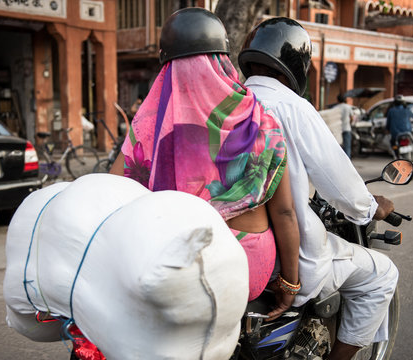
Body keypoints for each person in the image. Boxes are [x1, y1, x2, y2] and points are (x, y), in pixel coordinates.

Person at [111, 8, 301, 318]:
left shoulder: (148, 130)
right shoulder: (259, 123)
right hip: (247, 270)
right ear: (224, 62)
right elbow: (284, 211)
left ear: (165, 68)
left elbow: (112, 194)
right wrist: (290, 283)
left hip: (174, 269)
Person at [238, 17, 397, 360]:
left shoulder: (228, 104)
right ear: (297, 66)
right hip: (288, 257)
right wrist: (373, 207)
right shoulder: (292, 107)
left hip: (237, 247)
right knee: (382, 274)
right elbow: (339, 183)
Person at [386, 95, 413, 163]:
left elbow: (388, 123)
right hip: (407, 132)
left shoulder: (391, 111)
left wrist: (387, 130)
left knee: (393, 143)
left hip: (396, 134)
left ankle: (397, 156)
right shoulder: (407, 110)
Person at [333, 94, 355, 158]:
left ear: (337, 100)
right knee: (347, 147)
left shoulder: (335, 108)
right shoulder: (348, 107)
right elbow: (352, 118)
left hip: (338, 130)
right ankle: (348, 162)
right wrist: (349, 123)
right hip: (347, 128)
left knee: (338, 147)